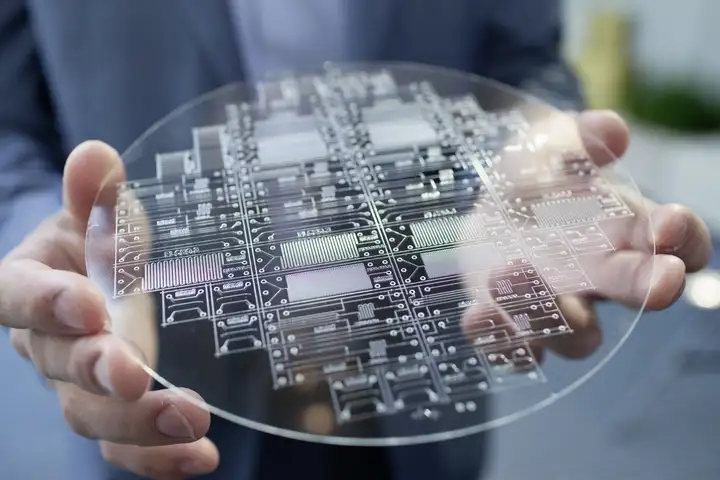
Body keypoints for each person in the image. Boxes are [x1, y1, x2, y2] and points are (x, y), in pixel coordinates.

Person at [0, 1, 712, 479]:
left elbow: (524, 63)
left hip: (421, 376)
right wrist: (53, 242)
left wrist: (531, 147)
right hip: (168, 377)